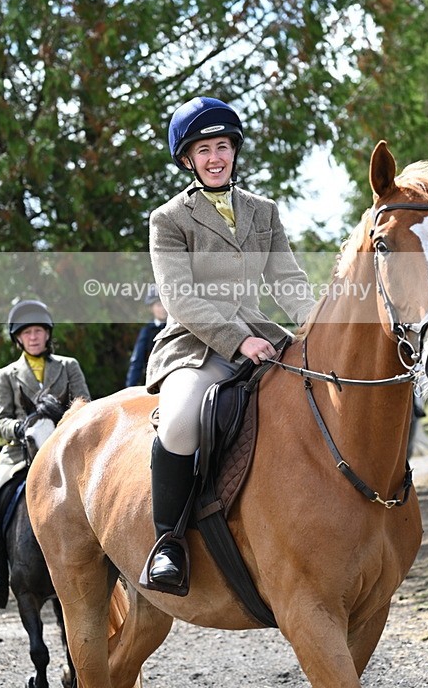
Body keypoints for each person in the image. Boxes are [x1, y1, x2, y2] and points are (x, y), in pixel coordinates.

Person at [142, 96, 317, 593]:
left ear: (234, 152)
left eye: (223, 146)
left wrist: (315, 324)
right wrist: (238, 341)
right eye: (204, 150)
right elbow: (180, 296)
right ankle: (168, 543)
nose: (215, 157)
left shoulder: (264, 211)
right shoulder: (169, 219)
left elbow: (288, 281)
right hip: (195, 345)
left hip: (264, 337)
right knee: (178, 423)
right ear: (187, 160)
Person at [0, 299, 90, 609]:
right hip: (19, 456)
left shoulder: (68, 366)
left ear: (47, 334)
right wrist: (20, 429)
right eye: (27, 333)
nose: (33, 337)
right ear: (18, 339)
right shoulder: (7, 375)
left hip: (65, 452)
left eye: (38, 331)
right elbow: (0, 422)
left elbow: (84, 407)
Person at [125, 286, 168, 387]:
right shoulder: (147, 331)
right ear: (151, 308)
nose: (162, 309)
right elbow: (137, 361)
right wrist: (131, 387)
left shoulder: (176, 327)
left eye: (164, 304)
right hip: (153, 381)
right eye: (158, 305)